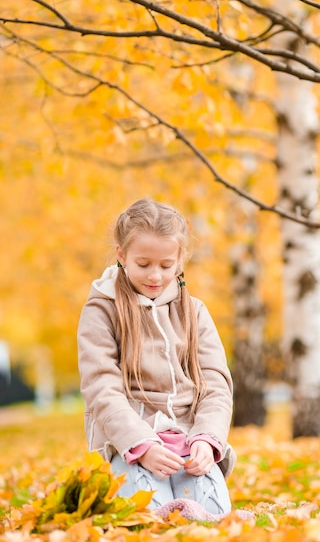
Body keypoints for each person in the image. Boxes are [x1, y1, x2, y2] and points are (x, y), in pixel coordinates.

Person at [77, 198, 236, 515]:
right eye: (143, 264)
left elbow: (215, 384)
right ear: (121, 255)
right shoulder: (101, 311)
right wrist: (142, 444)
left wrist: (206, 439)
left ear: (180, 260)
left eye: (166, 266)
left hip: (189, 441)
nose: (155, 276)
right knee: (150, 514)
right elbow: (100, 387)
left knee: (214, 513)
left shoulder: (194, 312)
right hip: (128, 445)